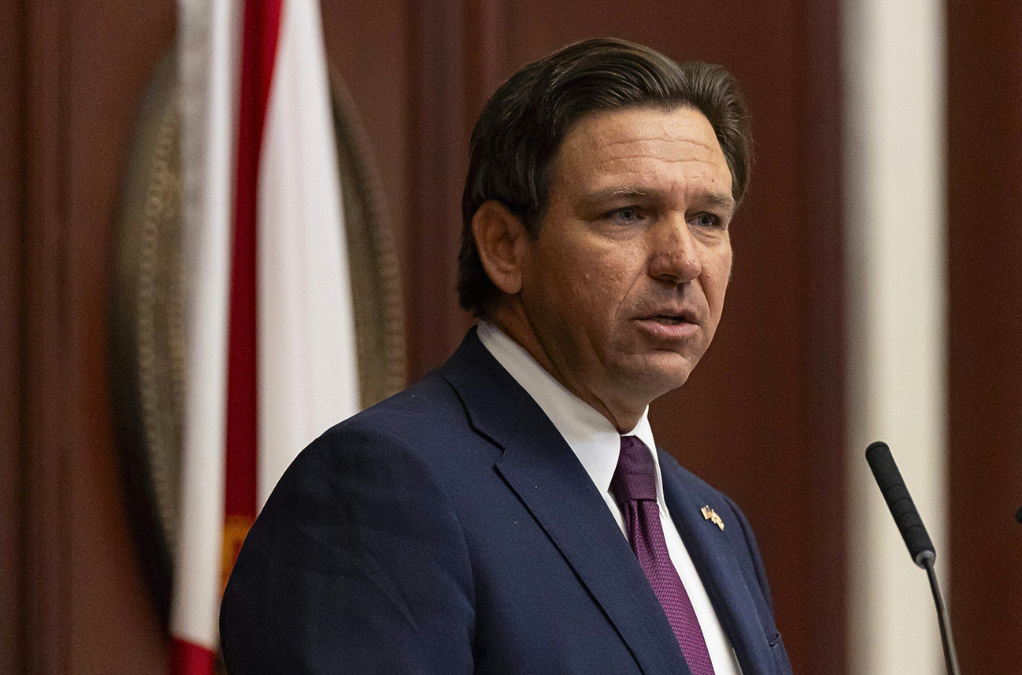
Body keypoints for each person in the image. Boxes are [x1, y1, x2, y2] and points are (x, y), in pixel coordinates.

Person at [220, 37, 792, 675]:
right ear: (504, 247)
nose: (683, 259)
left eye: (709, 219)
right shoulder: (384, 490)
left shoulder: (715, 524)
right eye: (627, 213)